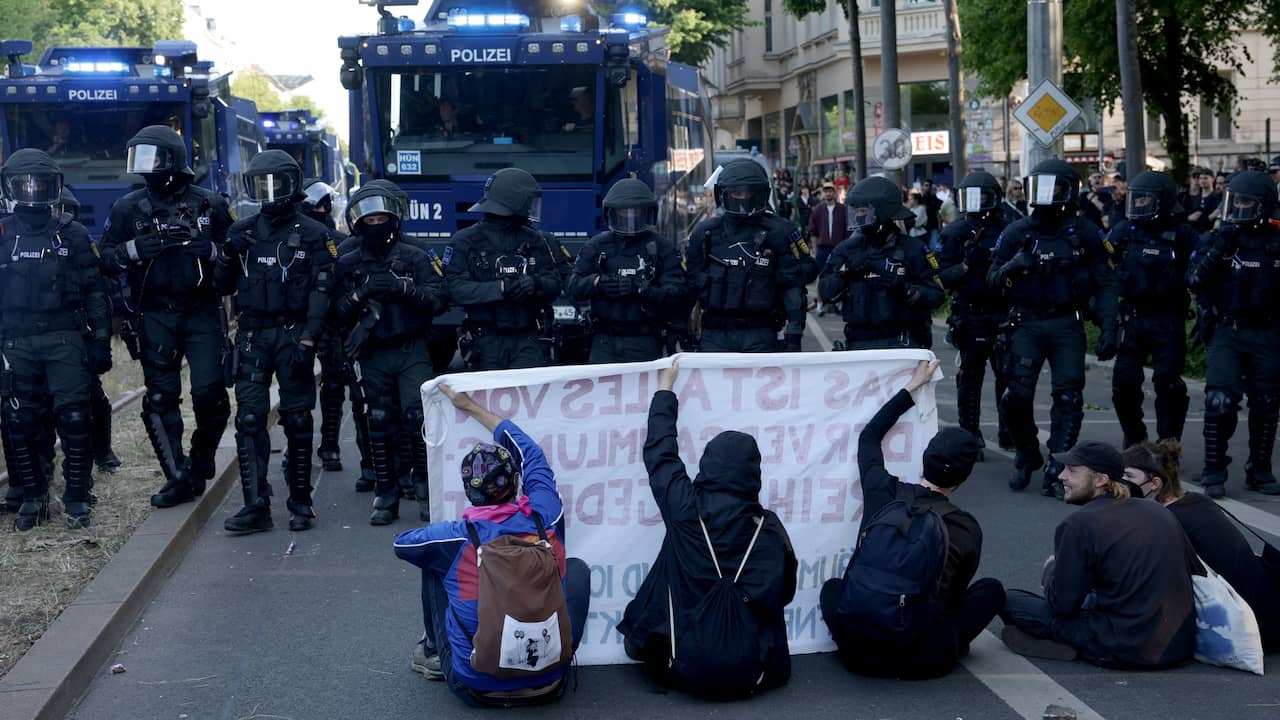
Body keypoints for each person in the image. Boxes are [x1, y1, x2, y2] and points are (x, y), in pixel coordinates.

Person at [393, 385, 589, 707]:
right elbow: (531, 453)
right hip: (550, 683)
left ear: (470, 494)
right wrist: (470, 406)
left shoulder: (454, 538)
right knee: (577, 569)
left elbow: (401, 545)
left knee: (434, 567)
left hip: (477, 689)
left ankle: (431, 651)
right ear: (516, 483)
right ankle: (550, 661)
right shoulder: (547, 517)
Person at [618, 362, 797, 696]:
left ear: (708, 464)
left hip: (681, 669)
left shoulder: (685, 509)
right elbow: (784, 593)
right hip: (753, 671)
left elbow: (661, 453)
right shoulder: (768, 528)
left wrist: (665, 389)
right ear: (754, 473)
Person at [821, 359, 1004, 679]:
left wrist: (912, 386)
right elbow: (952, 595)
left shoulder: (884, 492)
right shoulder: (965, 526)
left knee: (833, 588)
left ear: (924, 458)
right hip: (922, 658)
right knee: (991, 590)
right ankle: (948, 645)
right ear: (964, 479)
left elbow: (869, 438)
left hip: (857, 652)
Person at [101, 126, 234, 509]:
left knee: (211, 394)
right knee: (160, 398)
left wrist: (209, 250)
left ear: (172, 159)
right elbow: (105, 259)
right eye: (138, 158)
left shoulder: (210, 203)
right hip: (155, 312)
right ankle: (177, 476)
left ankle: (200, 460)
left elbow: (236, 253)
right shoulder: (127, 207)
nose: (144, 167)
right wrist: (135, 249)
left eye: (152, 157)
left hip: (202, 310)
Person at [213, 150, 337, 534]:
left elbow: (323, 291)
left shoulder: (316, 235)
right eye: (259, 185)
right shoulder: (242, 232)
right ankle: (255, 505)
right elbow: (220, 287)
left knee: (298, 419)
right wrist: (228, 256)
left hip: (293, 333)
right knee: (249, 418)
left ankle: (300, 500)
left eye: (276, 184)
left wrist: (308, 341)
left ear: (292, 185)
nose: (268, 193)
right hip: (252, 332)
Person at [1000, 440, 1199, 668]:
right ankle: (1069, 643)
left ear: (1101, 480)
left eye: (1073, 470)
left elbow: (1062, 606)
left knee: (1008, 599)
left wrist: (1051, 570)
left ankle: (1070, 644)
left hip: (1127, 648)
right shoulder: (1156, 509)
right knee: (1093, 599)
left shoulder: (1079, 524)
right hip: (1180, 645)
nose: (1061, 476)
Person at [987, 159, 1117, 497]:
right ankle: (1027, 453)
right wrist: (1014, 266)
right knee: (1015, 398)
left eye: (1053, 188)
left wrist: (1109, 326)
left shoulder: (1085, 232)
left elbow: (1105, 281)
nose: (1044, 196)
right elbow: (992, 279)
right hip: (1026, 322)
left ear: (1069, 191)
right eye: (1038, 188)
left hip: (1066, 322)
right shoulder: (1017, 232)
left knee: (1069, 398)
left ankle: (1058, 467)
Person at [0, 150, 111, 531]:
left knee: (76, 417)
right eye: (24, 186)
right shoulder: (1, 232)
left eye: (41, 186)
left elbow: (97, 291)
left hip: (64, 337)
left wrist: (101, 341)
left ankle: (77, 496)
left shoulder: (73, 233)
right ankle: (34, 497)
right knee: (20, 420)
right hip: (14, 341)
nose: (33, 194)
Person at [335, 183, 448, 525]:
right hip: (373, 352)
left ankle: (426, 490)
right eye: (369, 219)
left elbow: (440, 299)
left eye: (382, 217)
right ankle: (386, 494)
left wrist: (404, 289)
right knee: (380, 420)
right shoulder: (347, 259)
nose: (376, 224)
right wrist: (360, 296)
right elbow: (334, 312)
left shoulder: (416, 255)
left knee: (418, 418)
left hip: (410, 347)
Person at [1123, 441, 1280, 651]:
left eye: (1129, 477)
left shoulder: (1167, 519)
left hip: (1248, 625)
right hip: (1269, 608)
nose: (1122, 482)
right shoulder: (1195, 501)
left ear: (1155, 484)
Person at [1186, 170, 1280, 497]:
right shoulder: (1217, 239)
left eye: (1245, 202)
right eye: (1233, 200)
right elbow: (1194, 281)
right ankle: (1214, 468)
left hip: (1267, 332)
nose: (1237, 207)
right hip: (1227, 329)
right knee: (1220, 399)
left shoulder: (1276, 240)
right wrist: (1219, 251)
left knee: (1267, 402)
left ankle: (1260, 468)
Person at [685, 159, 817, 352]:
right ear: (722, 194)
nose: (743, 199)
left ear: (761, 194)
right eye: (737, 193)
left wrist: (794, 336)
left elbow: (798, 284)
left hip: (761, 333)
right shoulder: (706, 233)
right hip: (715, 333)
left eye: (749, 193)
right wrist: (681, 330)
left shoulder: (779, 232)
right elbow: (689, 285)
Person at [1105, 171, 1197, 449]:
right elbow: (1103, 263)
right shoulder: (1124, 230)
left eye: (1146, 199)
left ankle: (1169, 445)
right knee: (1123, 382)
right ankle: (1135, 438)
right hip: (1131, 318)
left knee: (1168, 385)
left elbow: (1202, 268)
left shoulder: (1182, 234)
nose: (1140, 204)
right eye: (1137, 198)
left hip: (1168, 320)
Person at [444, 168, 563, 370]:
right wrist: (500, 288)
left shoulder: (535, 239)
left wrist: (535, 284)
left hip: (527, 339)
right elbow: (454, 289)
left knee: (530, 398)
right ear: (514, 202)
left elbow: (555, 283)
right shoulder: (465, 241)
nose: (532, 209)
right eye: (529, 202)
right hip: (485, 341)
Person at [818, 175, 944, 349]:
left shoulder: (913, 249)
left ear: (882, 211)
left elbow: (937, 296)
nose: (857, 216)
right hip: (859, 341)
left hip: (901, 342)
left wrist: (906, 290)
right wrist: (845, 273)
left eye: (863, 211)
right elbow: (825, 292)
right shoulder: (846, 250)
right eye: (856, 211)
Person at [569, 179, 687, 363]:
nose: (630, 219)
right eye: (623, 212)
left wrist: (642, 290)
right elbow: (573, 287)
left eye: (636, 212)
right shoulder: (597, 246)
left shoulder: (661, 248)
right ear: (611, 213)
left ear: (647, 213)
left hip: (645, 338)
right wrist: (598, 283)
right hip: (604, 339)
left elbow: (679, 296)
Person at [938, 170, 1014, 454]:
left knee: (1008, 376)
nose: (977, 203)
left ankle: (1008, 430)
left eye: (983, 197)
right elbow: (943, 277)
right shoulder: (955, 232)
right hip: (970, 314)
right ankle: (970, 433)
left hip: (1004, 312)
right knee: (970, 378)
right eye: (971, 197)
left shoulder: (1009, 229)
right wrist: (966, 267)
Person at [59, 188, 121, 473]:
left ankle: (103, 452)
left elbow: (97, 294)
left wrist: (99, 340)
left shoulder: (78, 240)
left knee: (94, 399)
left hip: (75, 334)